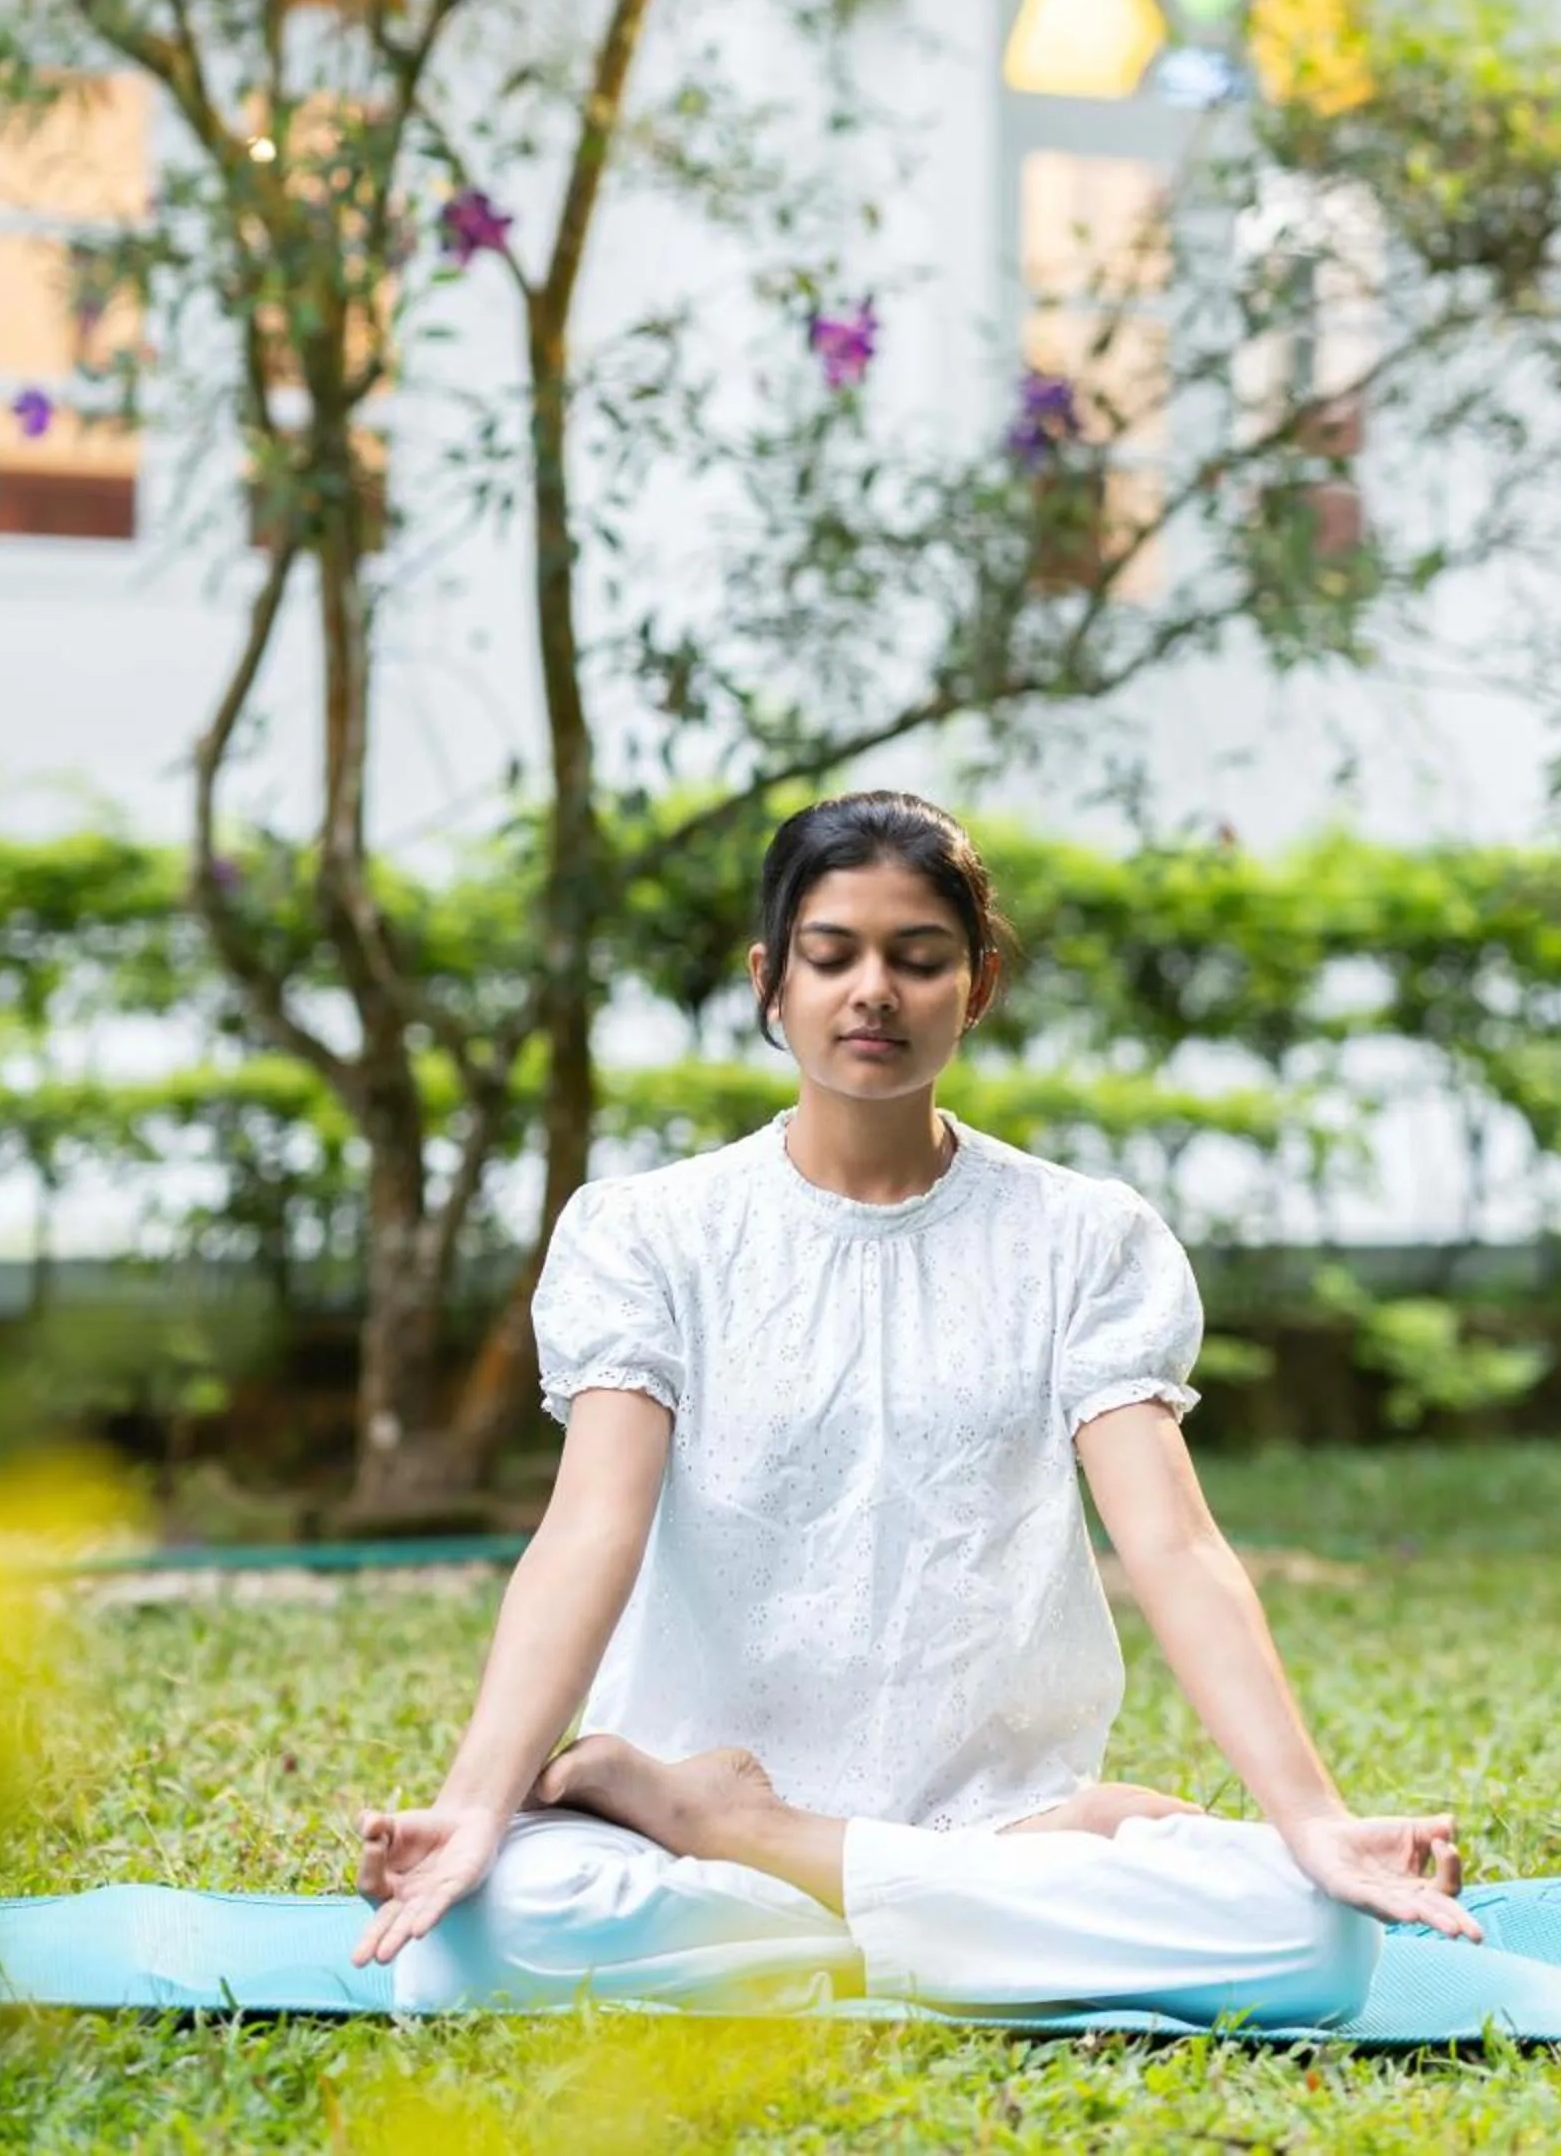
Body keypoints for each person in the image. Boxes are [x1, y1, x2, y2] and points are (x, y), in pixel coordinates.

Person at [352, 791, 1479, 2025]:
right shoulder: (646, 1234)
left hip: (998, 1819)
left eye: (918, 958)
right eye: (831, 956)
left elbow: (1171, 1543)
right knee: (482, 1937)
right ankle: (906, 1901)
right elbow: (586, 1533)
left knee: (1311, 1939)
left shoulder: (1083, 1239)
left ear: (977, 985)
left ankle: (775, 1849)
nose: (871, 992)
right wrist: (471, 1811)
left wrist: (1311, 1820)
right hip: (672, 1828)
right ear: (769, 982)